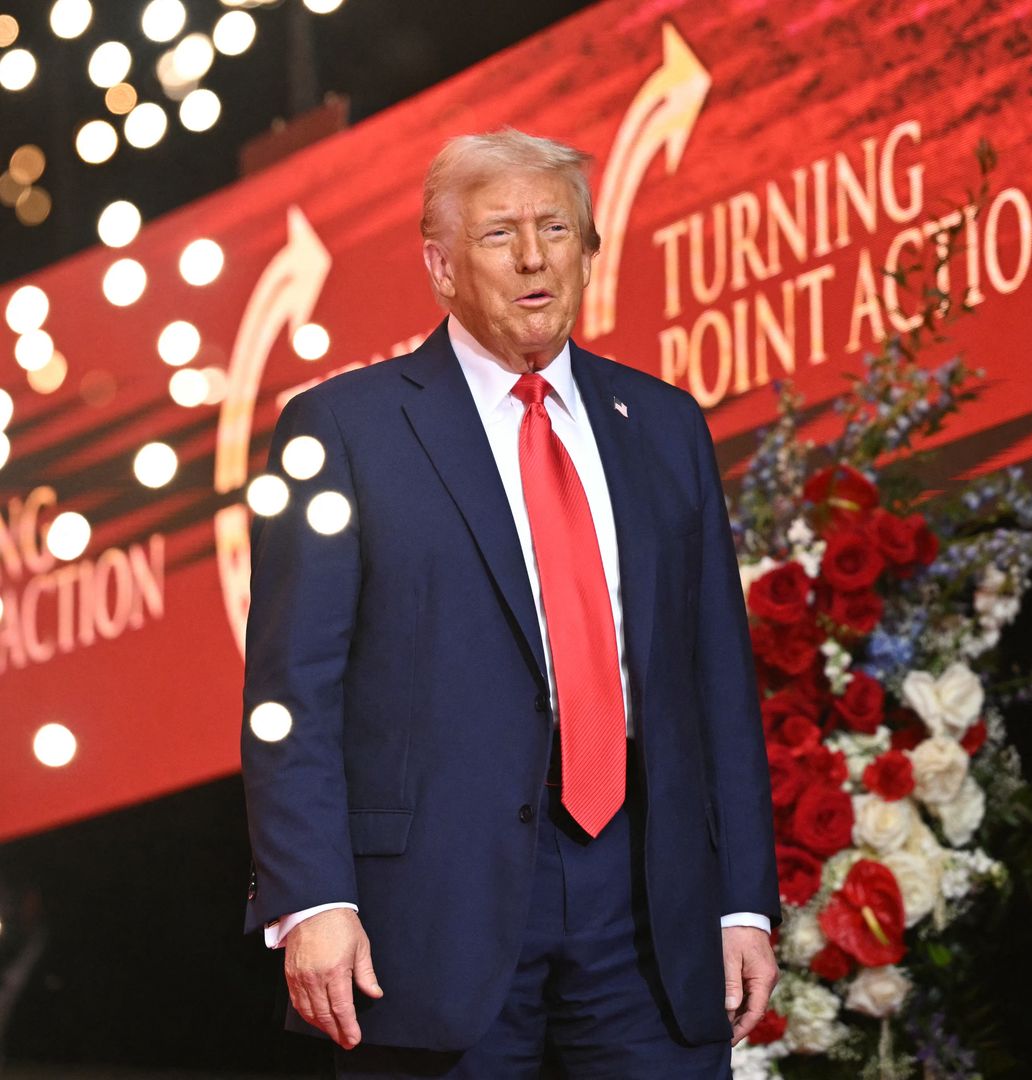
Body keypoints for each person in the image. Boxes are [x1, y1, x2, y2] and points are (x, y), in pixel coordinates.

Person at [241, 129, 781, 1079]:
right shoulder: (342, 428)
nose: (534, 258)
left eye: (555, 228)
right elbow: (293, 694)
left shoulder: (663, 425)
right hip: (434, 916)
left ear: (588, 249)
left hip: (650, 912)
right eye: (499, 235)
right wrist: (313, 898)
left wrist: (744, 899)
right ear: (440, 267)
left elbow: (717, 682)